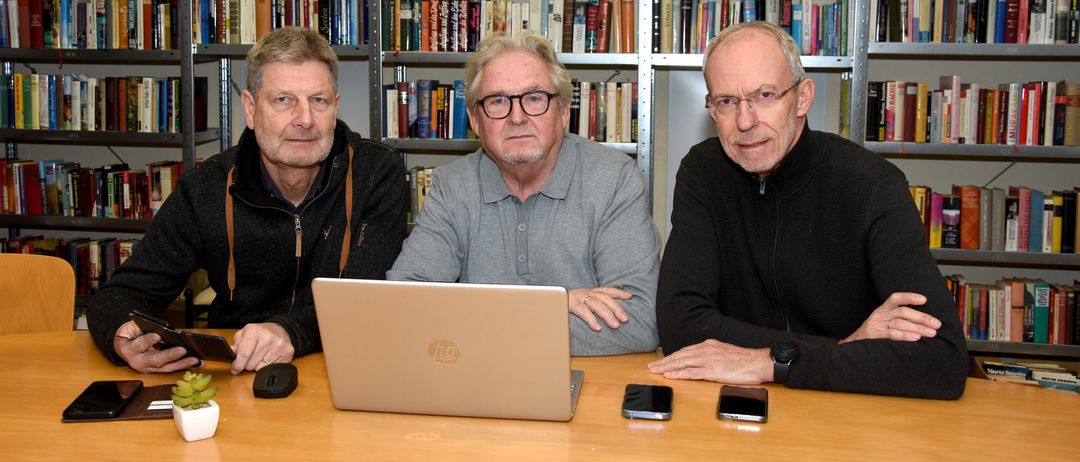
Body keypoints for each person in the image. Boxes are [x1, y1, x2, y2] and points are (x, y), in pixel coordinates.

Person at [648, 21, 968, 399]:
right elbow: (679, 325)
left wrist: (772, 362)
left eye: (765, 95)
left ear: (802, 97)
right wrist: (845, 346)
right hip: (737, 406)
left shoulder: (872, 185)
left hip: (847, 413)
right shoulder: (703, 172)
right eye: (727, 102)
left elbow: (943, 362)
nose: (746, 121)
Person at [87, 28, 407, 375]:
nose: (304, 119)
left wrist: (288, 331)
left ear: (335, 107)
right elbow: (121, 293)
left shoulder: (376, 173)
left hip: (344, 367)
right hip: (237, 371)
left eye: (319, 100)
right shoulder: (207, 187)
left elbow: (368, 299)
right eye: (283, 100)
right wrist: (123, 338)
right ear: (250, 109)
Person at [387, 31, 660, 356]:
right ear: (475, 119)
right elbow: (403, 306)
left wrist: (475, 321)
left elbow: (642, 322)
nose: (517, 118)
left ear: (562, 111)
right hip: (479, 386)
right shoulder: (452, 186)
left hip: (588, 387)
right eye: (498, 101)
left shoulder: (613, 179)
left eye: (533, 98)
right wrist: (556, 305)